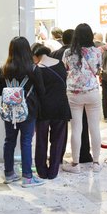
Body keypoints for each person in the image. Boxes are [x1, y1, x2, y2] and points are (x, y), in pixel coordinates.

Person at [0, 37, 45, 187]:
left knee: (9, 141)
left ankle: (9, 174)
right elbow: (41, 91)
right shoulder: (33, 68)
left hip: (9, 110)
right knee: (26, 142)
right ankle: (27, 177)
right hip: (28, 110)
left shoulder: (4, 69)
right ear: (27, 50)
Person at [62, 23, 103, 174]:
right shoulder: (97, 51)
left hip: (74, 93)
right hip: (92, 91)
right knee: (94, 128)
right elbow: (98, 70)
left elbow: (65, 69)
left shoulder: (68, 52)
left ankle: (76, 164)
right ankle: (97, 163)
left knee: (76, 129)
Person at [32, 43, 71, 180]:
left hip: (43, 109)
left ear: (36, 56)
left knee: (41, 140)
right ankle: (53, 170)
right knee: (58, 139)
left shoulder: (37, 69)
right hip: (61, 106)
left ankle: (42, 171)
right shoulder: (60, 64)